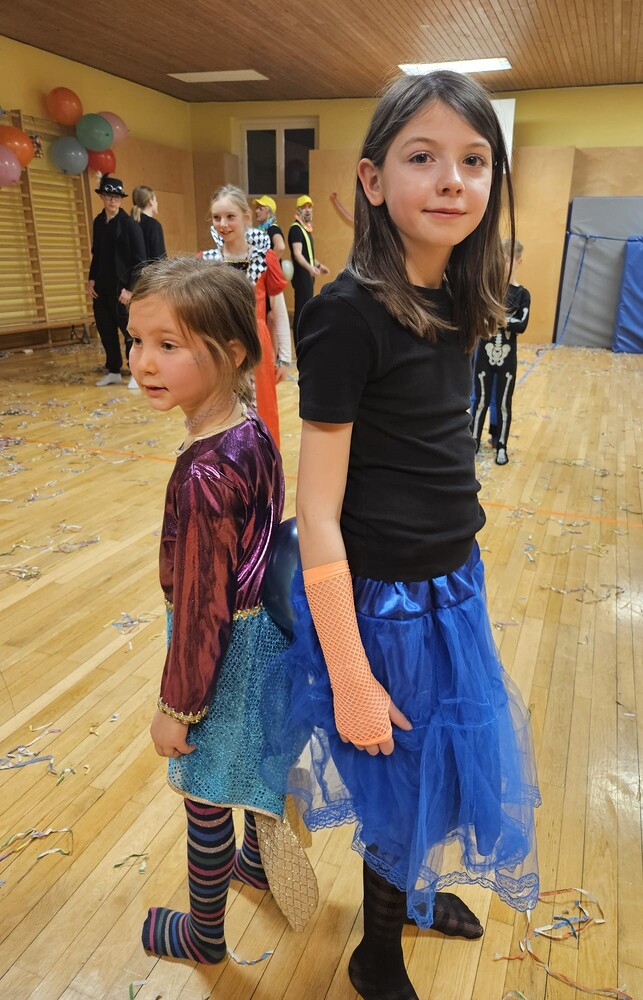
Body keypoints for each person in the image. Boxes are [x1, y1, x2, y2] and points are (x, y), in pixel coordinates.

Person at [267, 72, 540, 1000]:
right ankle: (375, 951)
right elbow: (317, 512)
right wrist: (349, 669)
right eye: (423, 157)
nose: (452, 179)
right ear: (373, 180)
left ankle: (414, 898)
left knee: (447, 766)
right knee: (399, 780)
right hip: (379, 607)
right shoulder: (345, 315)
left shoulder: (462, 294)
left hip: (452, 583)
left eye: (473, 160)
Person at [128, 256, 312, 964]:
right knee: (255, 764)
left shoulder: (204, 474)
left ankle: (204, 936)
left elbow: (203, 609)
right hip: (263, 637)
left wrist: (177, 708)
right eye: (137, 340)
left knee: (204, 792)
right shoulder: (251, 427)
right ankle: (256, 868)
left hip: (223, 655)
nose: (144, 362)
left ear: (232, 352)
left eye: (168, 345)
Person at [202, 185, 291, 449]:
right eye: (217, 217)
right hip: (219, 347)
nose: (223, 224)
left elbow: (278, 311)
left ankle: (260, 465)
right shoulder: (207, 262)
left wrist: (284, 356)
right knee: (222, 414)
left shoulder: (264, 259)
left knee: (259, 413)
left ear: (246, 217)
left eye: (230, 216)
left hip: (256, 345)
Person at [470, 238, 531, 464]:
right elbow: (479, 318)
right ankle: (473, 441)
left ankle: (502, 445)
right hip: (484, 354)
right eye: (501, 259)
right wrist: (505, 320)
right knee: (480, 400)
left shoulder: (522, 294)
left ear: (518, 262)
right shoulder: (488, 290)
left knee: (504, 402)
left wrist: (497, 319)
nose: (504, 264)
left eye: (508, 260)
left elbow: (521, 325)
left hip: (507, 357)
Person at [87, 175, 146, 389]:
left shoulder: (130, 225)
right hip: (102, 288)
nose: (112, 200)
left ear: (121, 199)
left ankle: (135, 373)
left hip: (122, 289)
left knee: (129, 332)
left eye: (116, 197)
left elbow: (140, 261)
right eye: (108, 196)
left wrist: (130, 289)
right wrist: (91, 279)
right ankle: (113, 371)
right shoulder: (98, 222)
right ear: (102, 197)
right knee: (106, 330)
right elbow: (96, 254)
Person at [287, 195, 328, 345]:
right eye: (304, 207)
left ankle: (304, 339)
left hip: (308, 275)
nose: (307, 210)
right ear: (298, 210)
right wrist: (310, 268)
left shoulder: (306, 229)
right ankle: (299, 343)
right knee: (302, 309)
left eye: (309, 207)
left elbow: (308, 256)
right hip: (301, 276)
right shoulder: (296, 229)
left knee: (306, 307)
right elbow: (298, 254)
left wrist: (318, 266)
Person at [131, 185, 167, 262]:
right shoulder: (154, 225)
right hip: (149, 269)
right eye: (155, 200)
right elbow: (159, 259)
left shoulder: (129, 223)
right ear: (150, 201)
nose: (157, 203)